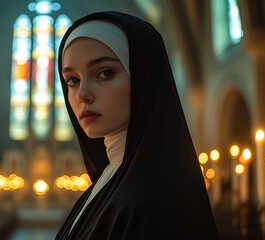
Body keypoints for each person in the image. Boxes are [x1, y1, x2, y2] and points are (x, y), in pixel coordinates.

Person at [55, 11, 220, 239]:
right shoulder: (109, 179)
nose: (82, 95)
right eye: (72, 80)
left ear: (143, 77)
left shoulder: (155, 200)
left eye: (105, 73)